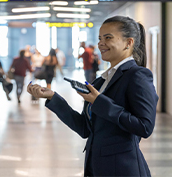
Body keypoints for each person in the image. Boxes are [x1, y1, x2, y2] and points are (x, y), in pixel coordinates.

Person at [27, 16, 158, 177]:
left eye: (108, 38)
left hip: (122, 168)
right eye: (100, 38)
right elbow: (84, 128)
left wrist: (99, 102)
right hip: (97, 167)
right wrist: (53, 98)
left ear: (128, 42)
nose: (100, 43)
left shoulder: (138, 76)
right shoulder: (102, 80)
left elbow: (144, 127)